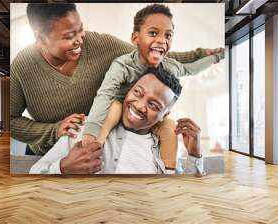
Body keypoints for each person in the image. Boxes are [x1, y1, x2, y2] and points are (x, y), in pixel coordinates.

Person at [10, 3, 223, 156]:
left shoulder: (102, 45)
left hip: (92, 148)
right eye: (68, 36)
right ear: (40, 37)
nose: (79, 40)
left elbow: (148, 54)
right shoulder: (22, 67)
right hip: (44, 153)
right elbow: (10, 120)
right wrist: (53, 131)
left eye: (81, 29)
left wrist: (202, 54)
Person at [82, 4, 223, 170]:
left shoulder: (169, 66)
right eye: (153, 33)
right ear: (135, 38)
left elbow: (189, 68)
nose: (161, 40)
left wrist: (215, 57)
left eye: (168, 35)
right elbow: (105, 94)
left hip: (144, 119)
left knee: (170, 126)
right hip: (120, 108)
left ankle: (168, 173)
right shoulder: (123, 65)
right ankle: (91, 151)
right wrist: (91, 131)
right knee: (114, 106)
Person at [30, 67, 205, 175]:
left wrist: (195, 154)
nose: (140, 106)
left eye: (154, 105)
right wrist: (62, 168)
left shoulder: (165, 149)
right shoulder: (87, 129)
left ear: (164, 116)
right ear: (129, 91)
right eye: (138, 93)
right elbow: (34, 173)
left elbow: (181, 195)